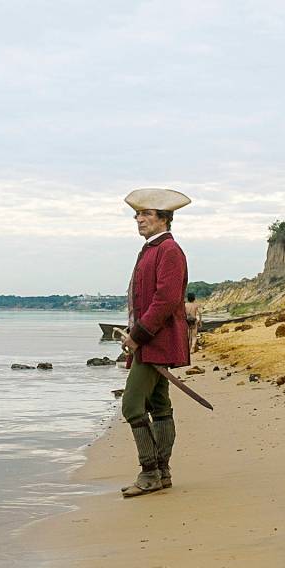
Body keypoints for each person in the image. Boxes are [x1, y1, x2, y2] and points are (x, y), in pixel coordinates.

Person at [119, 188, 191, 498]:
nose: (139, 219)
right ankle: (162, 473)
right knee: (159, 405)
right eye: (137, 214)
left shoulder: (169, 249)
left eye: (146, 214)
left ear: (164, 218)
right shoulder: (151, 249)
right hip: (150, 340)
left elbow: (166, 300)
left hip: (155, 341)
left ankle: (150, 473)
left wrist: (137, 336)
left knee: (132, 406)